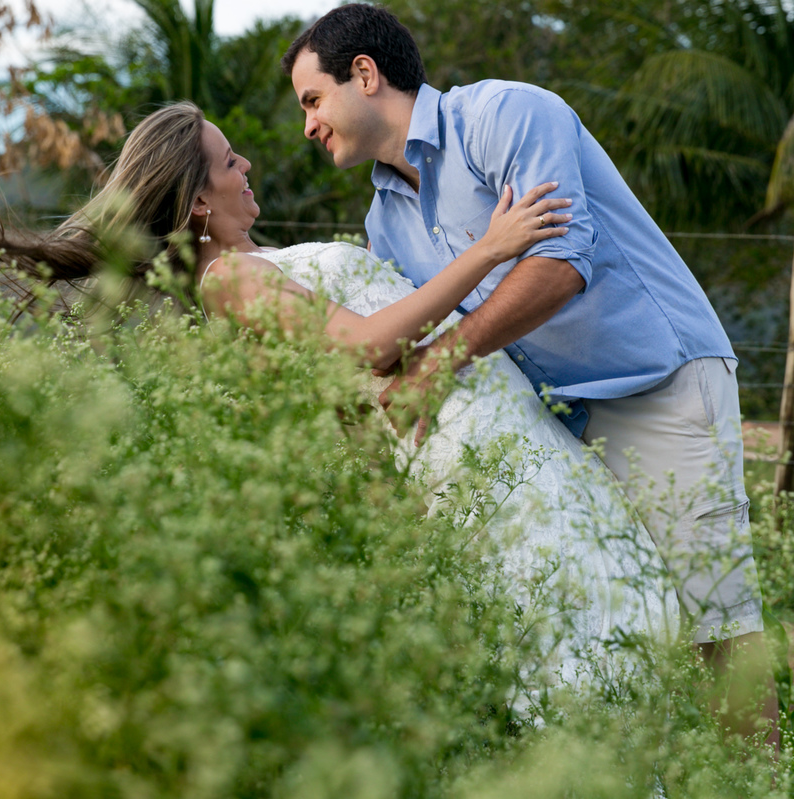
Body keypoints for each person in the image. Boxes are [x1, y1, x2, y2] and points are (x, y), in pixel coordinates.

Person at [0, 101, 678, 695]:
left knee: (590, 606)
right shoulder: (224, 281)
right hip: (458, 432)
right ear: (199, 200)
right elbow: (364, 347)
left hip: (480, 422)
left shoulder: (251, 266)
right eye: (229, 160)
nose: (247, 166)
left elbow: (347, 405)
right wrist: (489, 250)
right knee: (571, 631)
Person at [281, 3, 778, 748]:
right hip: (559, 422)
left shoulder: (505, 114)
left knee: (716, 624)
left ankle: (761, 785)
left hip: (656, 387)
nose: (309, 126)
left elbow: (559, 269)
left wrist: (441, 363)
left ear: (364, 73)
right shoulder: (385, 222)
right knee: (630, 622)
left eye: (312, 100)